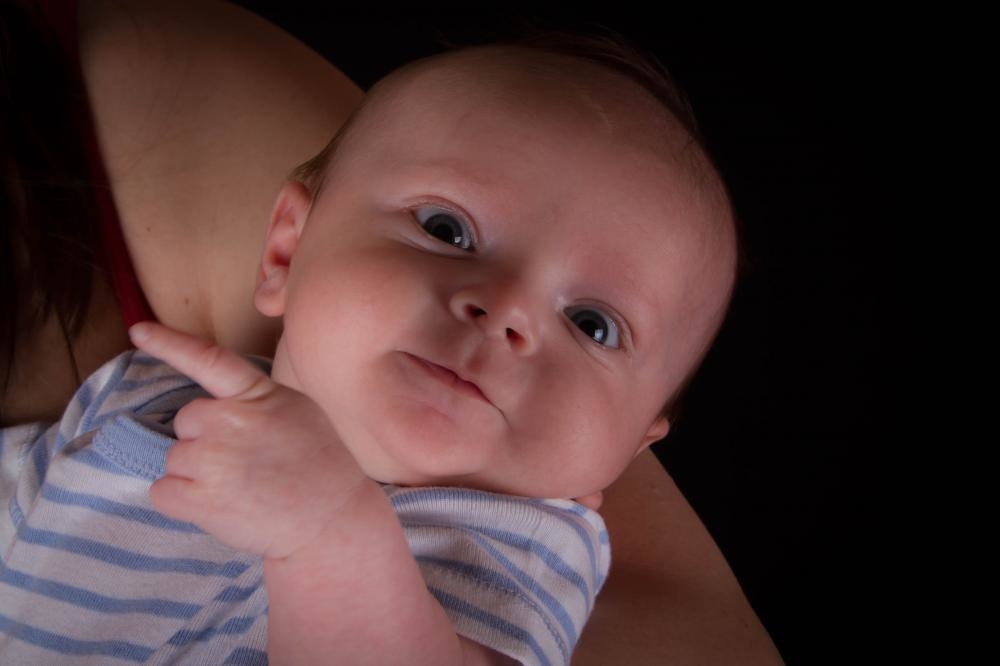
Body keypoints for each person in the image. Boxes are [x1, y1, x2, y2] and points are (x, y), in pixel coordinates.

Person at [1, 1, 783, 663]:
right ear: (286, 252)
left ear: (632, 445)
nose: (506, 312)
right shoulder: (146, 396)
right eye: (447, 230)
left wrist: (332, 530)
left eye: (592, 324)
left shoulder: (518, 548)